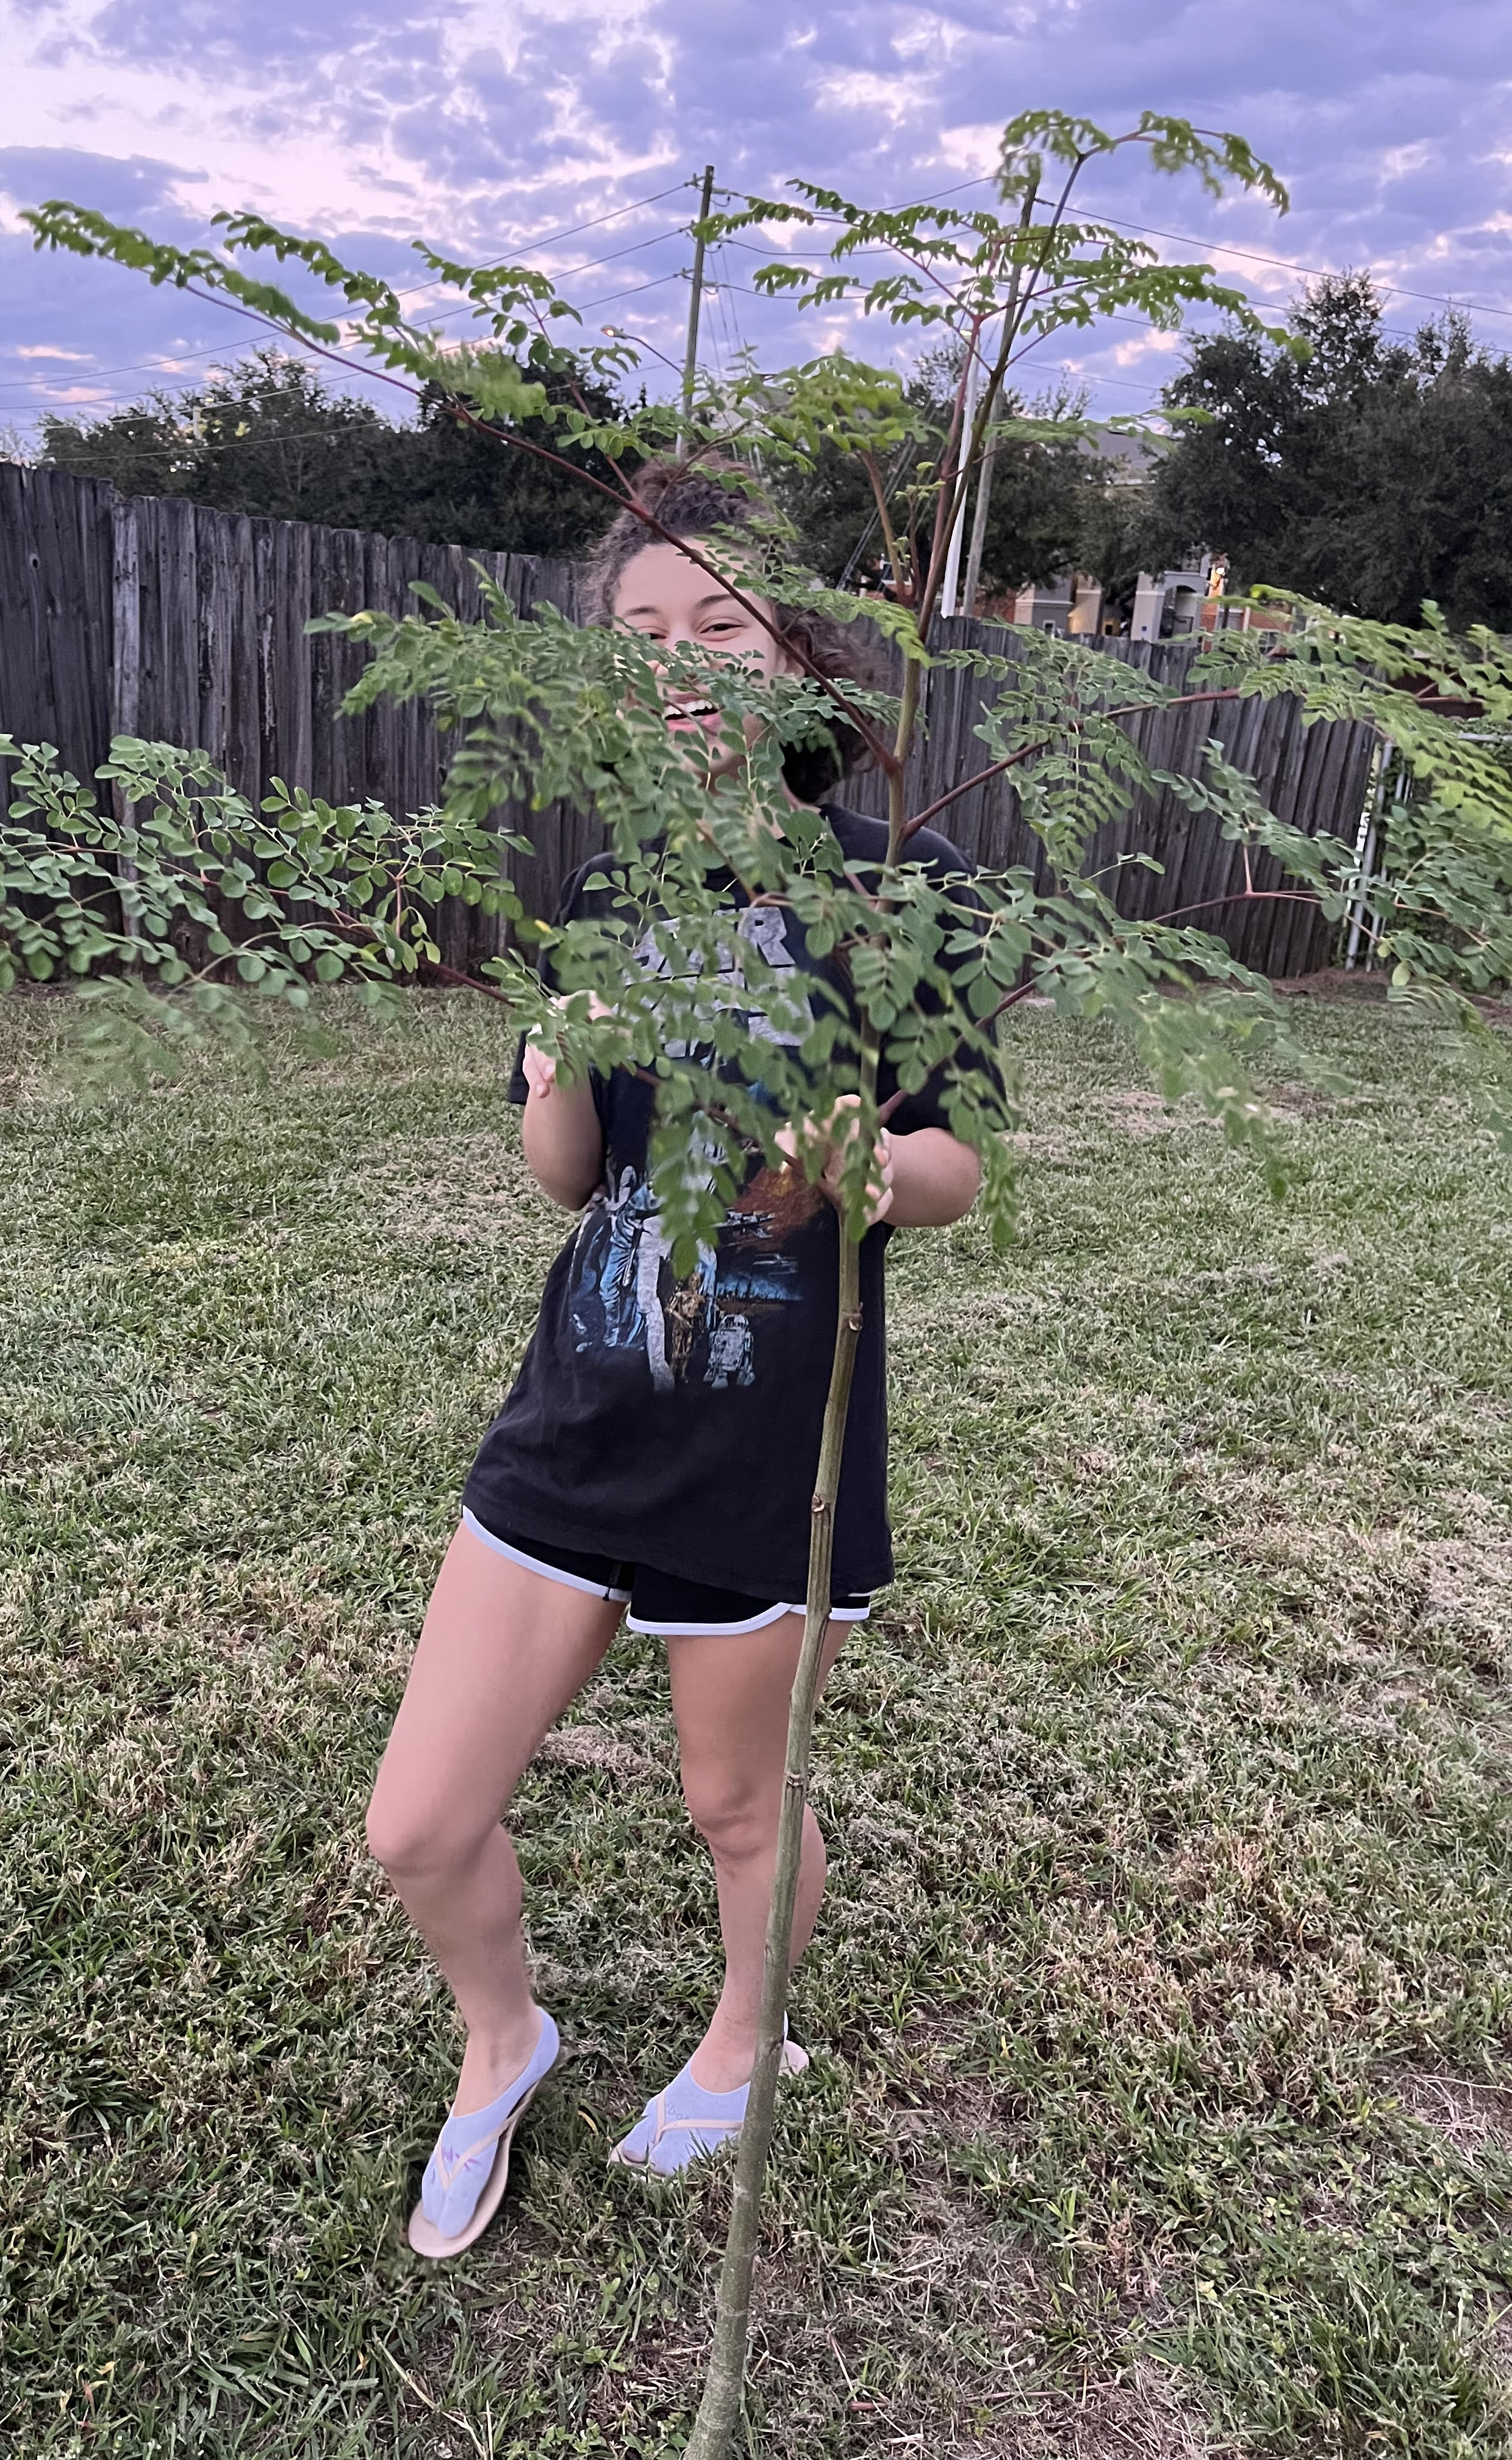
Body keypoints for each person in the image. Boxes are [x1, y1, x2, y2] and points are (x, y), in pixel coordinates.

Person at [365, 459, 997, 2259]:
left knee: (737, 1803)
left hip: (764, 1442)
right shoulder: (609, 873)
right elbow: (567, 1177)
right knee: (418, 1821)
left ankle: (741, 2045)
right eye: (643, 636)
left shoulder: (903, 883)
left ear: (795, 646)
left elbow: (956, 1163)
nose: (678, 667)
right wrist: (557, 1063)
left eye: (716, 626)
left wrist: (866, 1160)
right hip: (579, 1411)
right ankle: (509, 2043)